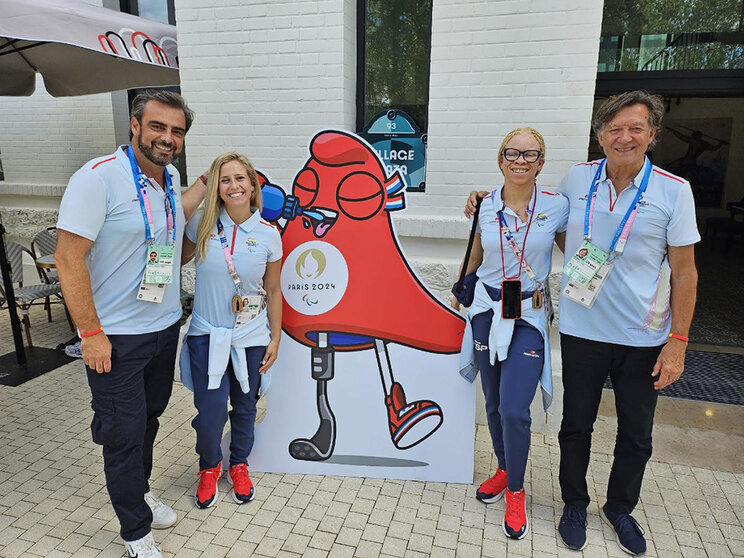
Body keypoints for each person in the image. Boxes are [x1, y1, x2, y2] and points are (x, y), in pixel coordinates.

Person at [465, 91, 699, 556]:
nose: (624, 137)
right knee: (576, 425)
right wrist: (482, 200)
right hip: (582, 329)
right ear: (599, 136)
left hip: (642, 334)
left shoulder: (674, 190)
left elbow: (686, 271)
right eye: (614, 129)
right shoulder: (577, 180)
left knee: (636, 432)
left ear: (652, 135)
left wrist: (678, 341)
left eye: (635, 128)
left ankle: (620, 509)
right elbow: (538, 221)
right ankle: (574, 502)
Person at [55, 90, 206, 558]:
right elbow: (67, 257)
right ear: (134, 126)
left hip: (162, 328)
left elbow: (169, 239)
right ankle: (136, 533)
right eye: (158, 127)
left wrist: (205, 200)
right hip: (114, 339)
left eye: (177, 131)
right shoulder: (98, 178)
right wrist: (90, 334)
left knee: (148, 420)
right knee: (122, 434)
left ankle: (139, 492)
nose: (167, 138)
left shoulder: (170, 177)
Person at [455, 127, 569, 540]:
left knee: (515, 409)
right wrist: (459, 288)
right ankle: (503, 469)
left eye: (530, 154)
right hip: (486, 311)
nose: (520, 160)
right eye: (512, 152)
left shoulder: (557, 207)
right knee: (492, 402)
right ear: (500, 159)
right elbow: (477, 253)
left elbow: (574, 251)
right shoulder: (484, 205)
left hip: (528, 317)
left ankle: (517, 490)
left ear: (541, 162)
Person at [179, 152, 282, 509]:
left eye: (240, 179)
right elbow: (176, 256)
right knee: (210, 412)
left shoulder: (269, 234)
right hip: (208, 336)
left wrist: (276, 337)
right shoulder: (203, 227)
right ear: (217, 188)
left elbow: (272, 291)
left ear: (253, 185)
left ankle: (239, 464)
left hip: (250, 337)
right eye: (225, 180)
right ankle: (209, 466)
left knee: (245, 407)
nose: (234, 186)